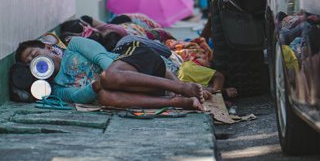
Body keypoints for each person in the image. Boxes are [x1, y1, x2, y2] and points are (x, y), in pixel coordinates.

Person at [15, 36, 206, 111]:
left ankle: (182, 87)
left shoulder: (74, 45)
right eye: (30, 63)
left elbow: (102, 58)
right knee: (104, 97)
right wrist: (98, 85)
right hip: (133, 90)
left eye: (34, 54)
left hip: (136, 61)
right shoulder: (57, 89)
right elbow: (78, 96)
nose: (34, 61)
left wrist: (106, 80)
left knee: (109, 77)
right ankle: (176, 102)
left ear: (48, 48)